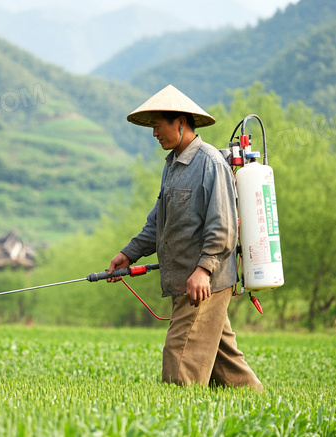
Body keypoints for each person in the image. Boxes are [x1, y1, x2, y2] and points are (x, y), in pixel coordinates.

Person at [107, 84, 262, 389]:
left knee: (179, 367)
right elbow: (158, 224)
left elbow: (224, 226)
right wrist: (129, 253)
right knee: (228, 370)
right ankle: (262, 408)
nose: (154, 133)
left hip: (204, 284)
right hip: (186, 284)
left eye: (157, 125)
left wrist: (204, 270)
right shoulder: (173, 167)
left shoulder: (210, 163)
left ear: (179, 122)